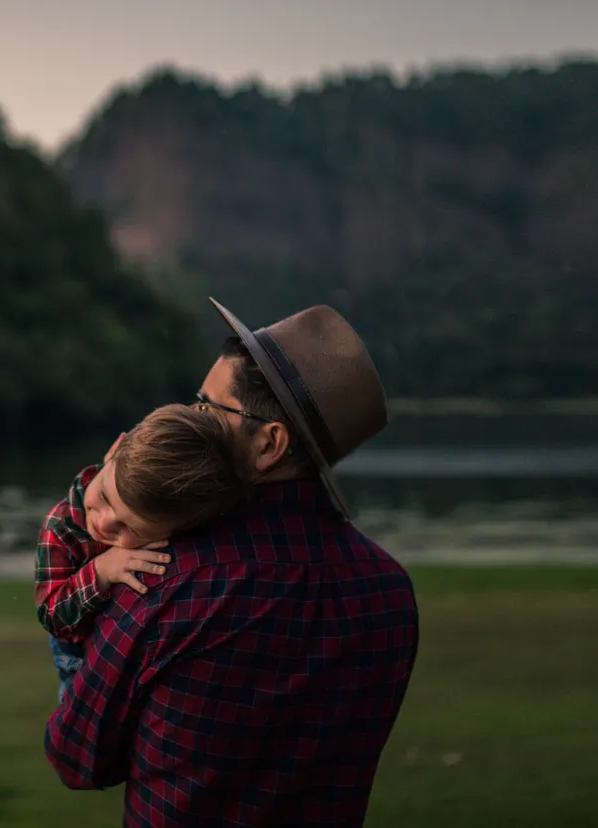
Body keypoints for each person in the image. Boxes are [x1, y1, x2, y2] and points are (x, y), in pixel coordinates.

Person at [44, 299, 420, 828]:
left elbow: (76, 757)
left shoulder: (162, 581)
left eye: (206, 408)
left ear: (269, 444)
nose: (189, 418)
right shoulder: (390, 592)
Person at [35, 403, 252, 703]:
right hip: (79, 661)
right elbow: (51, 615)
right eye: (105, 496)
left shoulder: (175, 520)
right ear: (115, 448)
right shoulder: (61, 527)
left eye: (130, 529)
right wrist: (100, 571)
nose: (103, 522)